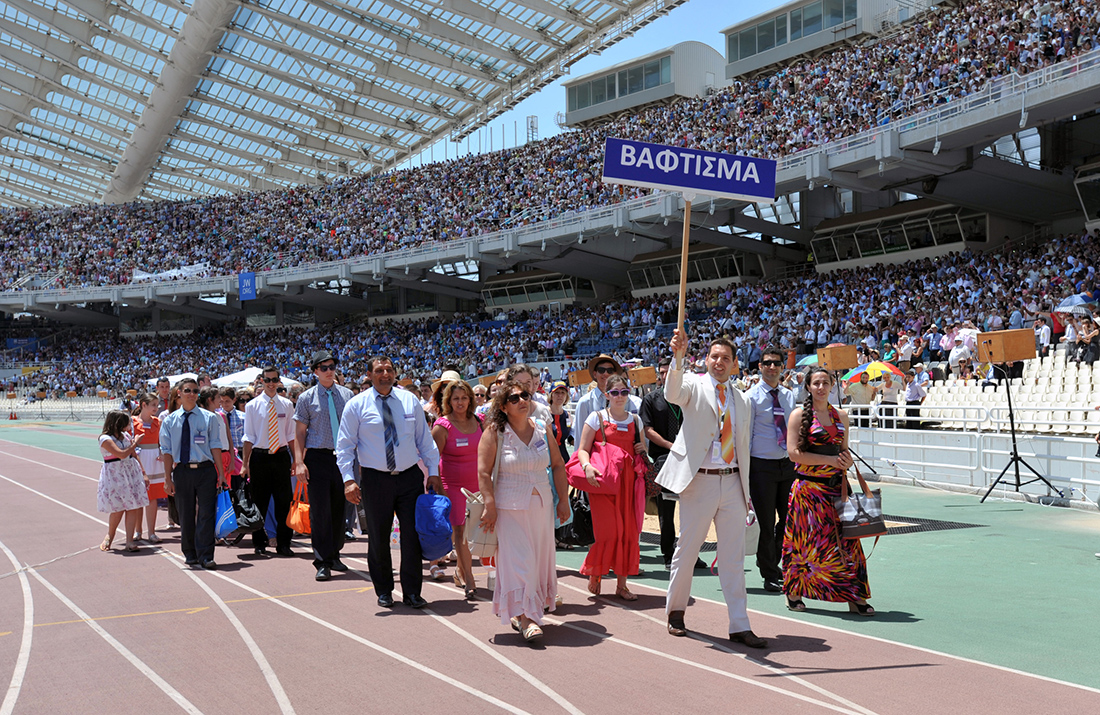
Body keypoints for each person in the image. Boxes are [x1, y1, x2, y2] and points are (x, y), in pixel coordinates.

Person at [658, 330, 765, 649]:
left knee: (733, 557)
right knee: (688, 549)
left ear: (734, 364)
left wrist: (746, 491)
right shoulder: (692, 385)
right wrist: (678, 357)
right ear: (706, 360)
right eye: (714, 356)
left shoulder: (742, 400)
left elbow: (743, 445)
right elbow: (672, 393)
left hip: (732, 481)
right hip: (699, 481)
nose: (719, 362)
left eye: (726, 358)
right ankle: (676, 612)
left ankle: (740, 624)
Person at [337, 355, 442, 609]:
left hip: (409, 477)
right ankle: (384, 590)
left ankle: (412, 592)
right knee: (378, 536)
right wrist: (349, 480)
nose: (385, 374)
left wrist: (433, 471)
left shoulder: (409, 401)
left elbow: (424, 439)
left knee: (412, 536)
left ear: (395, 373)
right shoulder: (356, 405)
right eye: (379, 370)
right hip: (375, 479)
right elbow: (345, 446)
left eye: (389, 370)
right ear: (369, 375)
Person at [476, 380, 569, 642]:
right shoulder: (495, 432)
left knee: (537, 560)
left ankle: (525, 610)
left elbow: (558, 464)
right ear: (503, 406)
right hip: (509, 508)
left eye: (525, 395)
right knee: (520, 560)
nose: (522, 401)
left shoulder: (541, 428)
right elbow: (483, 471)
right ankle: (528, 618)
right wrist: (489, 505)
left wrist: (563, 500)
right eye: (514, 398)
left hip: (541, 506)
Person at [784, 367, 873, 616]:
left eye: (825, 382)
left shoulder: (841, 416)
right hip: (808, 492)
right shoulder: (798, 415)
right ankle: (794, 592)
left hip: (837, 489)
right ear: (808, 387)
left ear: (832, 385)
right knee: (805, 544)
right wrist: (830, 461)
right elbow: (793, 454)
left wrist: (846, 461)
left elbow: (844, 450)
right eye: (816, 383)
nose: (821, 387)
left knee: (848, 543)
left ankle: (855, 596)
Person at [575, 373, 646, 600]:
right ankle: (596, 572)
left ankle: (622, 586)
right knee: (608, 532)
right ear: (607, 394)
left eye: (624, 392)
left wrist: (641, 450)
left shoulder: (636, 420)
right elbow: (582, 449)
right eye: (615, 392)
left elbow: (642, 449)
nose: (619, 396)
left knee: (627, 532)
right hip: (603, 482)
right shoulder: (596, 418)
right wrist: (586, 466)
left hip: (629, 484)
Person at [293, 350, 354, 581]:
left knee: (340, 508)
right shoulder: (306, 398)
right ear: (315, 372)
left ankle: (334, 554)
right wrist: (299, 462)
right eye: (324, 368)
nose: (329, 371)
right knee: (320, 510)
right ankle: (321, 561)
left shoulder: (347, 395)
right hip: (318, 457)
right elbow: (300, 433)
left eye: (332, 367)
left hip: (343, 457)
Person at [641, 358, 705, 571]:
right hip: (664, 459)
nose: (665, 376)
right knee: (666, 512)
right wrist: (672, 446)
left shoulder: (689, 398)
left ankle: (692, 554)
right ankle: (669, 554)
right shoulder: (651, 399)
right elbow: (648, 430)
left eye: (669, 372)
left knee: (693, 511)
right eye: (662, 372)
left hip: (691, 459)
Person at [159, 378, 227, 568]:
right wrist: (167, 478)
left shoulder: (209, 418)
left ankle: (206, 555)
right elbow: (167, 451)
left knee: (206, 513)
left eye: (195, 391)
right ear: (179, 393)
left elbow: (215, 445)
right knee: (186, 514)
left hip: (206, 470)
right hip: (182, 471)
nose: (192, 394)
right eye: (188, 390)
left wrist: (221, 473)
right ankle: (189, 553)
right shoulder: (170, 420)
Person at [745, 346, 797, 593]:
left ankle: (773, 562)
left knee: (788, 521)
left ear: (782, 367)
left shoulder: (789, 395)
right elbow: (745, 435)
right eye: (767, 363)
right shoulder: (750, 397)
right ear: (760, 366)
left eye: (776, 363)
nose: (772, 367)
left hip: (787, 464)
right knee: (766, 523)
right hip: (761, 466)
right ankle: (769, 573)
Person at [431, 379, 482, 599]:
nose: (460, 402)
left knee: (473, 532)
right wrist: (440, 490)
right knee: (461, 531)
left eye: (464, 398)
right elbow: (432, 459)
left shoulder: (480, 422)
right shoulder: (442, 426)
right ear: (448, 401)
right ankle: (469, 578)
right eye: (455, 399)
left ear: (470, 400)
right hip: (452, 486)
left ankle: (460, 571)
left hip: (478, 485)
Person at [242, 366, 297, 557]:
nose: (271, 384)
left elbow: (291, 435)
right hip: (260, 457)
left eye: (274, 380)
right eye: (267, 380)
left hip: (281, 456)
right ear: (262, 381)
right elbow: (248, 436)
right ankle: (259, 542)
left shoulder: (287, 405)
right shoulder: (252, 406)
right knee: (259, 502)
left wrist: (296, 460)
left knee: (284, 502)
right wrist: (245, 464)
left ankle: (284, 543)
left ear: (279, 381)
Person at [97, 410, 150, 553]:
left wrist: (143, 473)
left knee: (132, 506)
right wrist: (136, 443)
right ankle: (110, 535)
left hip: (131, 473)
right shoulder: (105, 439)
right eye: (126, 422)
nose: (129, 425)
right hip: (115, 474)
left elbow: (133, 455)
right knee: (118, 507)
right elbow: (121, 454)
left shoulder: (125, 435)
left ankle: (129, 541)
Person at [573, 354, 640, 431]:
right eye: (601, 370)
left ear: (615, 374)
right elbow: (579, 433)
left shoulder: (636, 402)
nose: (606, 374)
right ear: (595, 374)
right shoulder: (585, 403)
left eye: (610, 370)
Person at [132, 394, 165, 543]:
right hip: (138, 460)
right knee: (138, 498)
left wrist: (162, 452)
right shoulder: (132, 422)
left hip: (154, 462)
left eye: (157, 405)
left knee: (152, 497)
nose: (156, 408)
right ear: (143, 405)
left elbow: (162, 441)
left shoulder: (158, 422)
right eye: (153, 405)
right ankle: (137, 531)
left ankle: (151, 532)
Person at [547, 380, 572, 464]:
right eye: (557, 392)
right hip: (547, 457)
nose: (560, 395)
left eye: (563, 393)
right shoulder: (544, 413)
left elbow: (570, 436)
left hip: (563, 456)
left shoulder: (567, 415)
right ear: (551, 395)